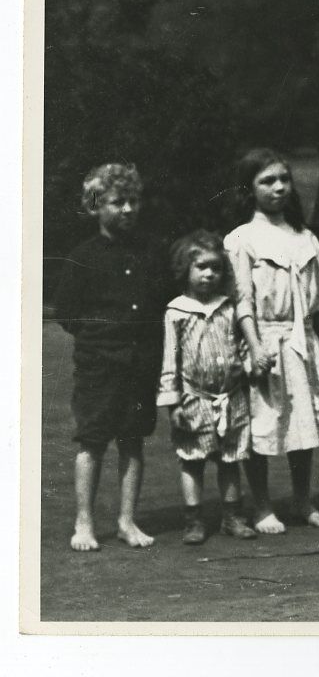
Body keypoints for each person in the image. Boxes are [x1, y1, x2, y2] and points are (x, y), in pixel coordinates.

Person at [54, 163, 173, 551]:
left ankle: (126, 520)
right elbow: (67, 313)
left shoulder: (151, 252)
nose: (127, 209)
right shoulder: (82, 255)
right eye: (117, 202)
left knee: (133, 440)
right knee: (92, 442)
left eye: (133, 201)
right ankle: (84, 522)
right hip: (99, 364)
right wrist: (101, 340)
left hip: (140, 362)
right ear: (95, 206)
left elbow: (161, 302)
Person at [224, 149, 319, 532]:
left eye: (283, 180)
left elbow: (317, 300)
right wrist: (255, 348)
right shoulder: (242, 239)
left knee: (303, 423)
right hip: (265, 341)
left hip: (302, 340)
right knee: (263, 424)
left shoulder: (306, 237)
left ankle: (303, 500)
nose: (278, 188)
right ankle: (262, 507)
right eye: (267, 181)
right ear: (250, 189)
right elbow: (242, 300)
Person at [157, 230, 258, 545]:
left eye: (215, 267)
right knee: (192, 459)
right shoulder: (177, 311)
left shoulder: (227, 308)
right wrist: (173, 404)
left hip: (231, 398)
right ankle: (194, 520)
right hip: (194, 400)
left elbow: (238, 347)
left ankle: (232, 517)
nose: (209, 274)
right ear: (185, 270)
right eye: (201, 267)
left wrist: (251, 365)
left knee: (230, 460)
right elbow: (169, 361)